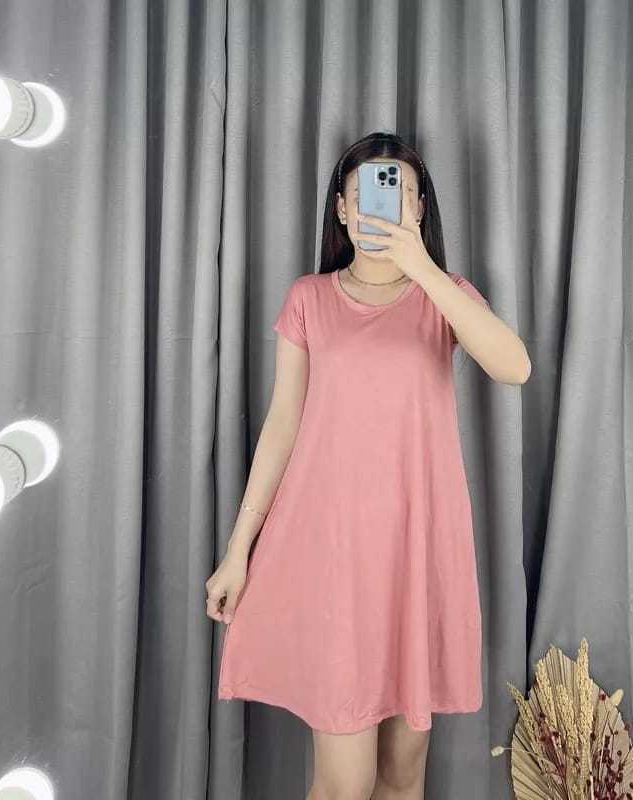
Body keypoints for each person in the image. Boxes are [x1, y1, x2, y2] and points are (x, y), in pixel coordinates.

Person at [205, 131, 531, 799]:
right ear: (342, 209)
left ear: (419, 209)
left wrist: (422, 267)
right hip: (334, 555)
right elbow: (282, 427)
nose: (380, 207)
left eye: (399, 194)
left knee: (402, 777)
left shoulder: (445, 296)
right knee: (345, 784)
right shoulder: (310, 298)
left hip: (416, 553)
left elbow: (514, 367)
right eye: (364, 194)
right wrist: (238, 551)